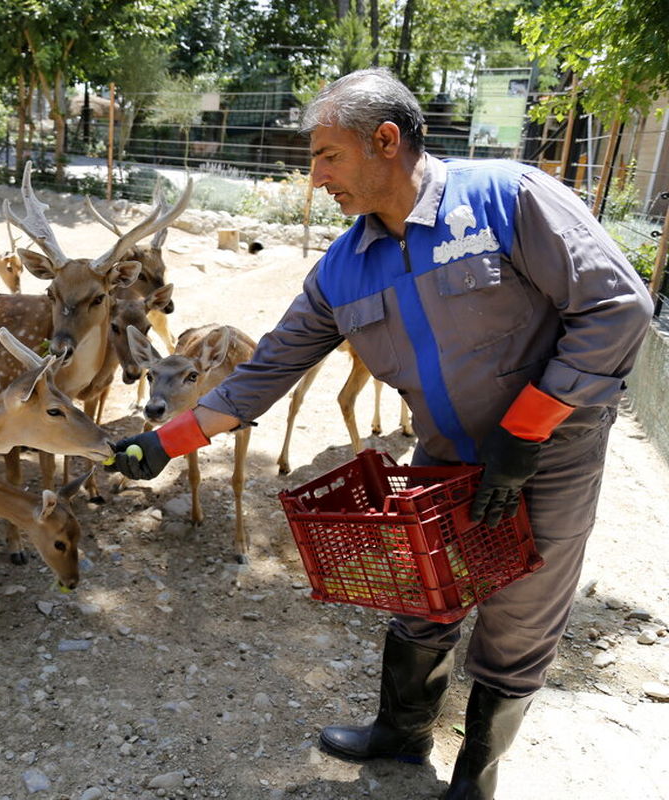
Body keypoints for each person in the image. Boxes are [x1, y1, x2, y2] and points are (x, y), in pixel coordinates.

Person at [105, 67, 653, 800]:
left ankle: (475, 776)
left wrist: (524, 433)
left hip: (547, 455)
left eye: (327, 157)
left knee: (520, 617)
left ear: (385, 141)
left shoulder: (508, 199)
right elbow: (266, 370)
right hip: (444, 457)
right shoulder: (344, 268)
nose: (315, 178)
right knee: (424, 596)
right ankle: (401, 733)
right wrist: (164, 442)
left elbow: (617, 308)